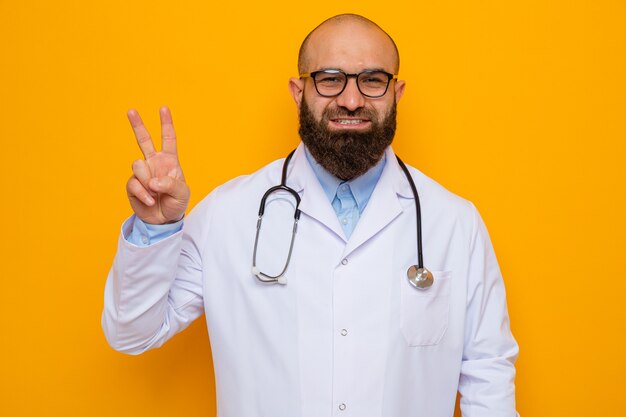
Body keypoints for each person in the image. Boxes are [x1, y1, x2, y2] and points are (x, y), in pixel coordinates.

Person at [102, 13, 519, 417]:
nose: (351, 100)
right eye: (330, 79)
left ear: (397, 92)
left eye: (372, 80)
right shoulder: (226, 216)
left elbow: (488, 376)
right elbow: (132, 333)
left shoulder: (454, 224)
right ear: (298, 92)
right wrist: (156, 229)